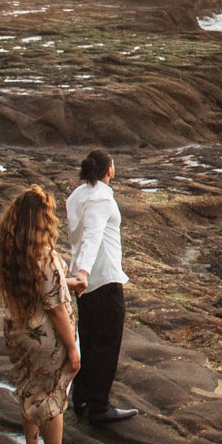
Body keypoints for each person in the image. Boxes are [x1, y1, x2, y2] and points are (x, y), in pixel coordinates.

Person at [0, 185, 81, 444]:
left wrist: (67, 283)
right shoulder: (45, 256)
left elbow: (38, 289)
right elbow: (55, 307)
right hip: (44, 337)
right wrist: (72, 347)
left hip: (16, 331)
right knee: (52, 395)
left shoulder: (10, 251)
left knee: (29, 388)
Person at [67, 148, 136, 424]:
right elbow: (93, 235)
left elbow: (78, 237)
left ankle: (81, 398)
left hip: (86, 283)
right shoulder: (101, 198)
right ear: (108, 170)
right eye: (113, 164)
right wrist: (83, 272)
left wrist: (80, 273)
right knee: (106, 343)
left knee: (88, 339)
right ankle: (99, 405)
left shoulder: (77, 195)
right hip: (103, 278)